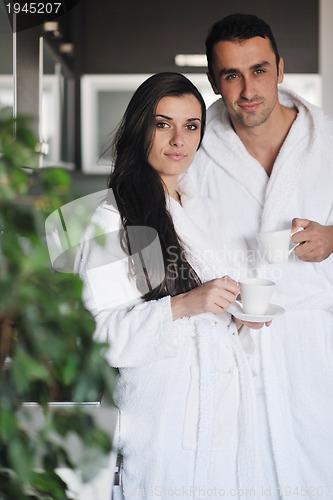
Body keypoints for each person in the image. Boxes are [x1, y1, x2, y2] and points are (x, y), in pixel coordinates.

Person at [75, 72, 269, 499]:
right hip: (162, 421)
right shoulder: (113, 218)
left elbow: (211, 312)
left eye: (191, 126)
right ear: (140, 127)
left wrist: (239, 319)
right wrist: (184, 305)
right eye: (163, 124)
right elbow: (100, 335)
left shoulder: (206, 211)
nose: (178, 139)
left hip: (221, 412)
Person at [188, 13, 333, 499]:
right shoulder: (196, 148)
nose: (247, 89)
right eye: (231, 75)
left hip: (316, 349)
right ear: (213, 81)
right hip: (230, 346)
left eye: (258, 70)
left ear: (280, 70)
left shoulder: (327, 141)